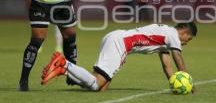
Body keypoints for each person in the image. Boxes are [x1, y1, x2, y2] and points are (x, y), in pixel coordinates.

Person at [41, 23, 197, 92]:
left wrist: (174, 85)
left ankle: (65, 70)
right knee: (96, 85)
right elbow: (179, 61)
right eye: (188, 39)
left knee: (102, 88)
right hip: (121, 44)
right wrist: (190, 86)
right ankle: (64, 64)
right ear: (183, 31)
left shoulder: (166, 36)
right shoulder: (173, 35)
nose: (186, 43)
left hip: (116, 38)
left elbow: (167, 65)